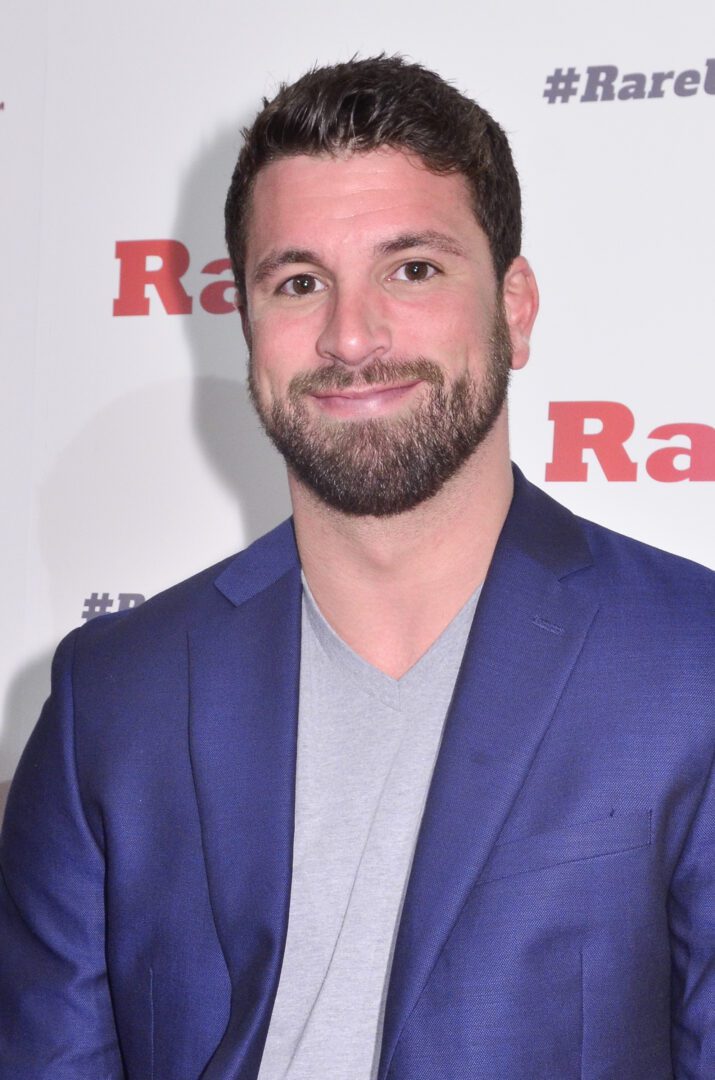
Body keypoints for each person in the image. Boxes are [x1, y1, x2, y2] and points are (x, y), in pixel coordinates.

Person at [0, 55, 712, 1080]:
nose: (350, 336)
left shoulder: (690, 662)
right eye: (299, 283)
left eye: (411, 269)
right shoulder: (110, 697)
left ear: (513, 307)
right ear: (247, 326)